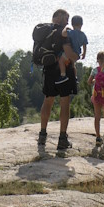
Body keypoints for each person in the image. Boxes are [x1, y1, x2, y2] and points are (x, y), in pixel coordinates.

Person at [38, 8, 76, 151]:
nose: (68, 20)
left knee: (48, 101)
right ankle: (62, 138)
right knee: (64, 103)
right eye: (66, 17)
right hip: (63, 72)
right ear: (59, 17)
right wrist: (76, 57)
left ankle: (42, 135)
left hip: (48, 70)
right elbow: (68, 52)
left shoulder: (47, 31)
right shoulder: (63, 32)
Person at [56, 14, 87, 84]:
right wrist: (84, 53)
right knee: (73, 65)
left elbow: (63, 34)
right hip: (77, 54)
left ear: (72, 25)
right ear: (81, 24)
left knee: (61, 61)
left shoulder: (71, 33)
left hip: (70, 52)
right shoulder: (83, 34)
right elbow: (85, 44)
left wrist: (66, 28)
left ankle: (63, 75)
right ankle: (75, 77)